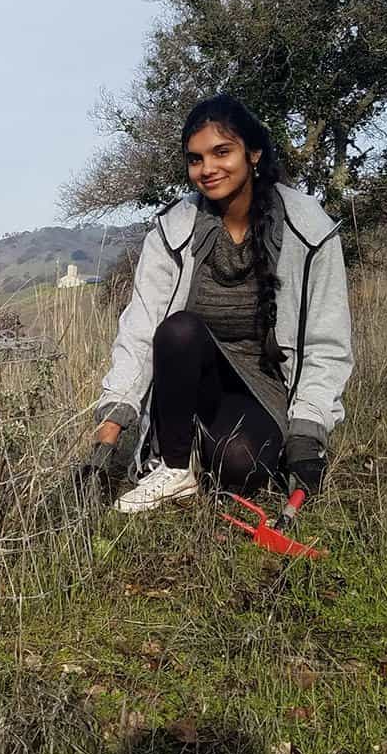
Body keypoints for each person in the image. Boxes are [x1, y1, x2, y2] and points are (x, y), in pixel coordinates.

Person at [88, 94, 352, 515]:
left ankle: (205, 450)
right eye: (195, 159)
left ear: (254, 154)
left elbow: (326, 341)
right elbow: (140, 327)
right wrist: (113, 422)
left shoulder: (310, 231)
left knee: (241, 472)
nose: (207, 169)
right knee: (179, 329)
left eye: (221, 152)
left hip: (261, 385)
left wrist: (307, 430)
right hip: (183, 378)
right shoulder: (171, 231)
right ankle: (173, 465)